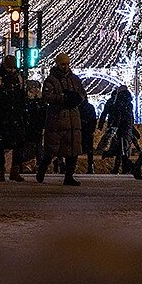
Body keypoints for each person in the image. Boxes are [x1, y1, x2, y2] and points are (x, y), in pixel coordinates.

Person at [37, 53, 87, 186]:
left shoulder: (74, 79)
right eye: (63, 64)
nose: (65, 67)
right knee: (52, 149)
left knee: (73, 150)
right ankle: (43, 167)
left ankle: (69, 176)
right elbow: (47, 96)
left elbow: (82, 93)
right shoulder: (51, 80)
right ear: (58, 64)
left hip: (72, 119)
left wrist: (76, 99)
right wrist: (62, 97)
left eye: (67, 64)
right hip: (57, 119)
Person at [0, 55, 26, 182]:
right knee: (0, 145)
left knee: (18, 144)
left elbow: (22, 97)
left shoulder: (19, 79)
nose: (11, 69)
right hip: (2, 116)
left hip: (14, 115)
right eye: (9, 66)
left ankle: (14, 170)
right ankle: (1, 170)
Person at [100, 85, 136, 174]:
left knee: (119, 147)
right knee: (123, 148)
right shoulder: (128, 102)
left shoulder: (115, 101)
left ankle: (119, 166)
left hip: (117, 126)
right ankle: (124, 167)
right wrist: (132, 127)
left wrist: (103, 124)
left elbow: (111, 114)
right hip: (126, 127)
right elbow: (130, 116)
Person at [23, 80, 47, 175]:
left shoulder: (40, 101)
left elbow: (44, 113)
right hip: (30, 127)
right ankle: (29, 165)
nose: (35, 90)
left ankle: (37, 165)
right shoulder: (28, 101)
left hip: (37, 127)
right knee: (30, 146)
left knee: (37, 146)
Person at [79, 97, 98, 174]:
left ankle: (71, 167)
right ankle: (90, 166)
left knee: (77, 149)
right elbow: (94, 119)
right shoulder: (90, 107)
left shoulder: (78, 107)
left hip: (81, 130)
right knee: (89, 150)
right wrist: (92, 129)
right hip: (88, 131)